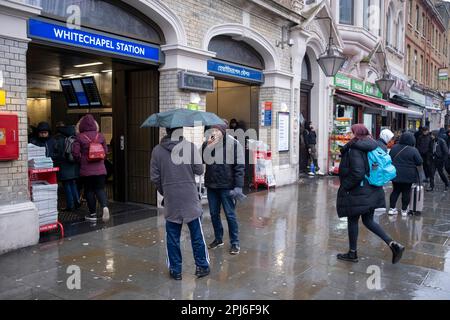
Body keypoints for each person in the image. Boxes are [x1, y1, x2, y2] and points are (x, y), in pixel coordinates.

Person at [336, 124, 405, 264]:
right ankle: (393, 244)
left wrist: (345, 187)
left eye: (351, 132)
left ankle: (352, 253)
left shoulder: (356, 148)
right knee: (368, 220)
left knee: (353, 220)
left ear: (357, 134)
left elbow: (357, 172)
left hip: (358, 191)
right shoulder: (373, 145)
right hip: (373, 189)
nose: (349, 134)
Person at [150, 127, 210, 281]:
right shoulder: (190, 147)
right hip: (190, 197)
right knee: (196, 234)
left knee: (172, 236)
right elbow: (199, 170)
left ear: (166, 130)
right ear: (180, 131)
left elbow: (155, 177)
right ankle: (202, 266)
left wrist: (165, 191)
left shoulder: (157, 151)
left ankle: (176, 270)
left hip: (171, 198)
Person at [202, 123, 245, 255]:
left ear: (223, 131)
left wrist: (238, 186)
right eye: (212, 130)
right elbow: (202, 160)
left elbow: (240, 166)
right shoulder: (209, 143)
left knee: (230, 215)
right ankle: (218, 239)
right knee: (214, 214)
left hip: (227, 186)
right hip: (212, 185)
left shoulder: (234, 144)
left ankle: (235, 242)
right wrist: (207, 145)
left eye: (216, 130)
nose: (214, 132)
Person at [72, 114, 110, 222]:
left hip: (86, 170)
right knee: (100, 189)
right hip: (101, 169)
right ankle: (104, 207)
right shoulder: (100, 136)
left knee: (89, 191)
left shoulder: (79, 137)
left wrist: (81, 160)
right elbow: (105, 152)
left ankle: (93, 214)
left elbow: (75, 153)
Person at [388, 132, 423, 217]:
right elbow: (420, 162)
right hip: (409, 174)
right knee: (406, 192)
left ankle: (392, 209)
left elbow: (389, 158)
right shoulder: (413, 150)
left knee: (395, 190)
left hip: (396, 173)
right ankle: (404, 210)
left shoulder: (394, 148)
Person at [53, 123, 81, 212]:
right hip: (73, 165)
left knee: (67, 185)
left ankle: (70, 205)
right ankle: (77, 202)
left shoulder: (59, 139)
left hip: (64, 165)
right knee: (73, 184)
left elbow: (57, 153)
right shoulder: (74, 137)